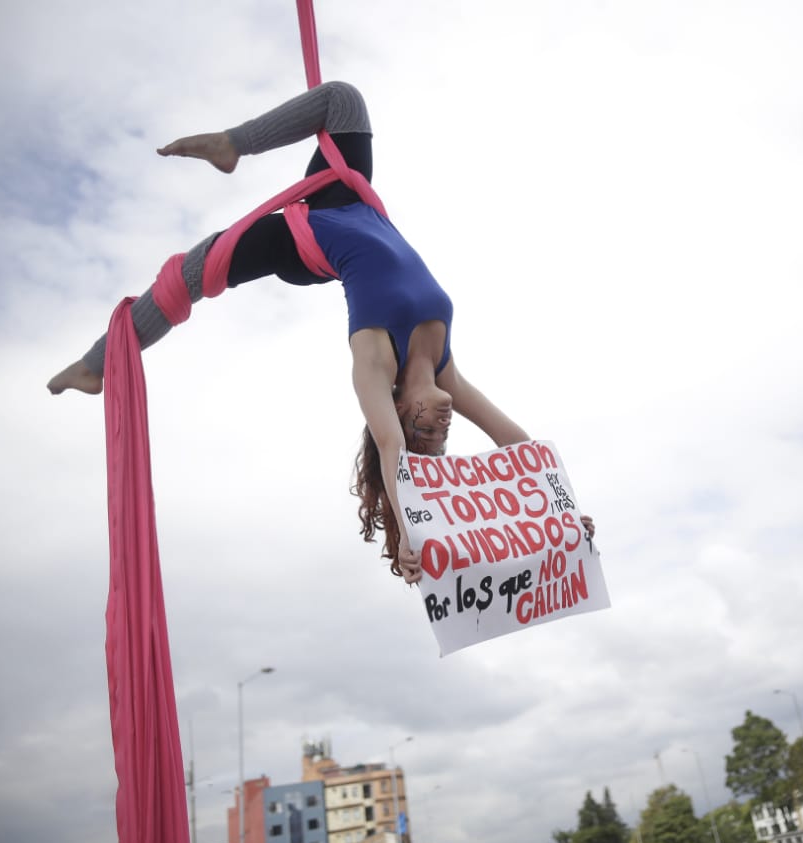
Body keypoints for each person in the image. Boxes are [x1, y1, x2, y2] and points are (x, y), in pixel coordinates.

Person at [48, 82, 594, 581]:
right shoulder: (446, 366)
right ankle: (232, 143)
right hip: (350, 200)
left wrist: (411, 536)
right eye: (441, 437)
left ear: (402, 408)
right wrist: (564, 518)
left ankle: (97, 364)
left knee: (198, 267)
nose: (443, 425)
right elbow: (515, 444)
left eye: (424, 430)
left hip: (307, 244)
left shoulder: (376, 361)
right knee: (343, 101)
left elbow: (389, 448)